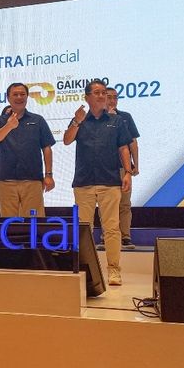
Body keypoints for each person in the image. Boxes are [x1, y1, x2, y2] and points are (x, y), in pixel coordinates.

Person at [63, 79, 132, 286]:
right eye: (97, 92)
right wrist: (76, 122)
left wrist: (128, 172)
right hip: (83, 182)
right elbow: (67, 140)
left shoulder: (117, 121)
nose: (102, 96)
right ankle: (87, 269)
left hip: (110, 181)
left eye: (104, 92)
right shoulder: (79, 120)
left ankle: (114, 270)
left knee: (111, 228)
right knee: (84, 229)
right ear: (87, 97)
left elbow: (123, 148)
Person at [0, 83, 55, 217]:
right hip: (6, 180)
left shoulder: (38, 120)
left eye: (22, 94)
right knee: (8, 223)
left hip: (33, 179)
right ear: (8, 98)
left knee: (35, 221)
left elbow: (47, 148)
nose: (19, 97)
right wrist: (9, 126)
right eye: (15, 94)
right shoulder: (0, 121)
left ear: (27, 97)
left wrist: (48, 175)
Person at [107, 87, 140, 249]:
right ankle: (108, 236)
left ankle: (125, 236)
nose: (112, 100)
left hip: (123, 168)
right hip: (104, 168)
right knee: (108, 204)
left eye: (115, 97)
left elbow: (132, 142)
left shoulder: (125, 117)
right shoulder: (96, 118)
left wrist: (136, 165)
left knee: (124, 204)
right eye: (109, 97)